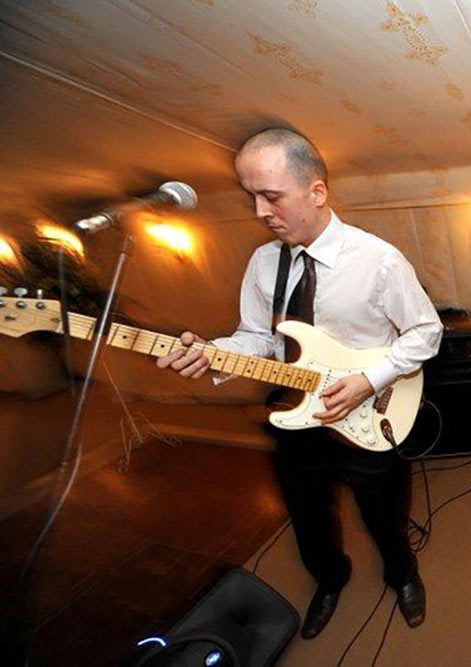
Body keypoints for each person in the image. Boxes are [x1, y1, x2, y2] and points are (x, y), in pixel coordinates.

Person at [156, 128, 442, 638]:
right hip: (296, 414)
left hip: (370, 410)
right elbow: (257, 338)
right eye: (252, 198)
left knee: (385, 516)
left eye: (271, 196)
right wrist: (213, 354)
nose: (261, 212)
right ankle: (330, 580)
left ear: (317, 191)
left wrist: (366, 379)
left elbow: (426, 332)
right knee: (308, 517)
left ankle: (403, 575)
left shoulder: (377, 260)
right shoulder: (264, 263)